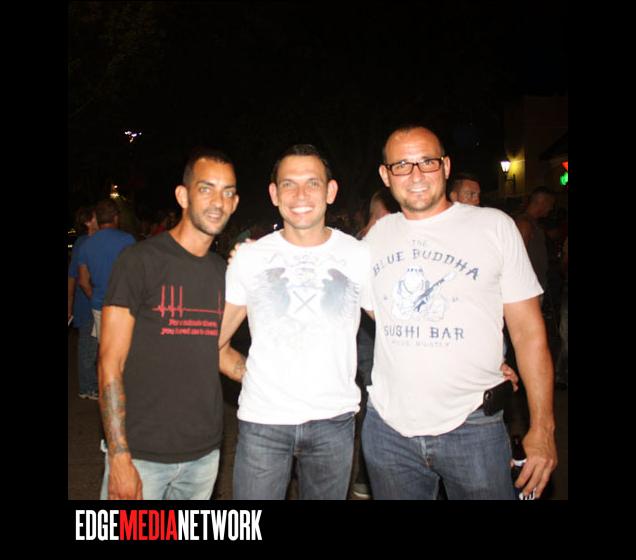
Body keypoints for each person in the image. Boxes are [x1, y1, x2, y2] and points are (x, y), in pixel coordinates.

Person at [361, 124, 557, 500]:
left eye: (427, 162)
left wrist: (543, 428)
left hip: (474, 429)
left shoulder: (494, 227)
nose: (416, 174)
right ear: (386, 175)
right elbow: (379, 313)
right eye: (402, 165)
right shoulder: (375, 239)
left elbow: (529, 333)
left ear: (446, 166)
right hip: (387, 432)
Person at [217, 144, 373, 500]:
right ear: (274, 194)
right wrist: (249, 374)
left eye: (312, 183)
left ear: (331, 191)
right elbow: (213, 340)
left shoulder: (358, 255)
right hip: (263, 422)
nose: (300, 195)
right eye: (289, 184)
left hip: (334, 421)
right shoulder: (251, 258)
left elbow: (396, 328)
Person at [98, 148, 242, 500]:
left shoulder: (224, 273)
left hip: (204, 455)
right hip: (141, 455)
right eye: (206, 189)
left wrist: (273, 379)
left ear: (235, 203)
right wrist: (119, 456)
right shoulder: (139, 261)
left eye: (227, 192)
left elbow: (217, 351)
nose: (218, 202)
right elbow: (110, 362)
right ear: (183, 195)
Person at [77, 199, 136, 342]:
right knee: (124, 346)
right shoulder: (127, 240)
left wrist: (96, 298)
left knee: (104, 347)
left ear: (97, 219)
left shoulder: (86, 245)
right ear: (116, 217)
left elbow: (83, 282)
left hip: (99, 306)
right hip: (123, 304)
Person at [68, 205, 99, 399]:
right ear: (88, 221)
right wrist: (69, 304)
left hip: (88, 301)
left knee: (91, 346)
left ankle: (89, 385)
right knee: (88, 347)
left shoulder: (88, 241)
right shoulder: (83, 243)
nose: (99, 219)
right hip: (86, 303)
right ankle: (87, 387)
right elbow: (73, 276)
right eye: (95, 216)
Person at [514, 186, 556, 293]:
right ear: (542, 202)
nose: (551, 208)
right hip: (528, 287)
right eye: (550, 204)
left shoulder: (533, 223)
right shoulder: (524, 224)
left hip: (535, 284)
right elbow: (518, 257)